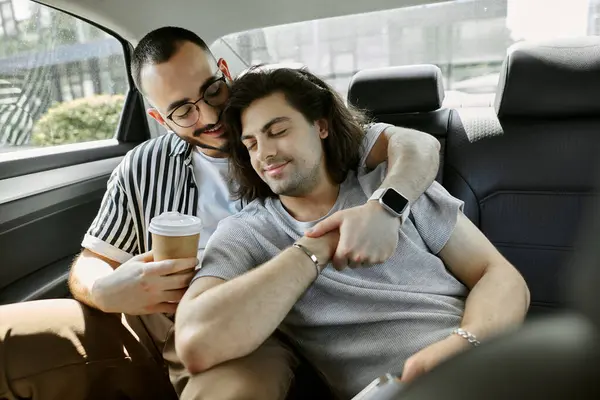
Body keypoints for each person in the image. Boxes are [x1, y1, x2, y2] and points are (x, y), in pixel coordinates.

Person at [0, 27, 442, 400]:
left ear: (224, 71)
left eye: (211, 89)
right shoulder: (143, 166)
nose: (209, 113)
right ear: (158, 116)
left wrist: (388, 206)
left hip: (261, 329)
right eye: (182, 110)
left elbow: (415, 145)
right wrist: (107, 290)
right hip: (158, 321)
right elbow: (91, 262)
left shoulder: (293, 133)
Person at [175, 66, 531, 399]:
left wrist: (463, 345)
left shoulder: (392, 185)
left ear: (321, 127)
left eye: (278, 131)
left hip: (487, 362)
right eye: (251, 144)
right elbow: (195, 343)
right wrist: (320, 245)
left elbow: (498, 275)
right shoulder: (247, 232)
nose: (265, 153)